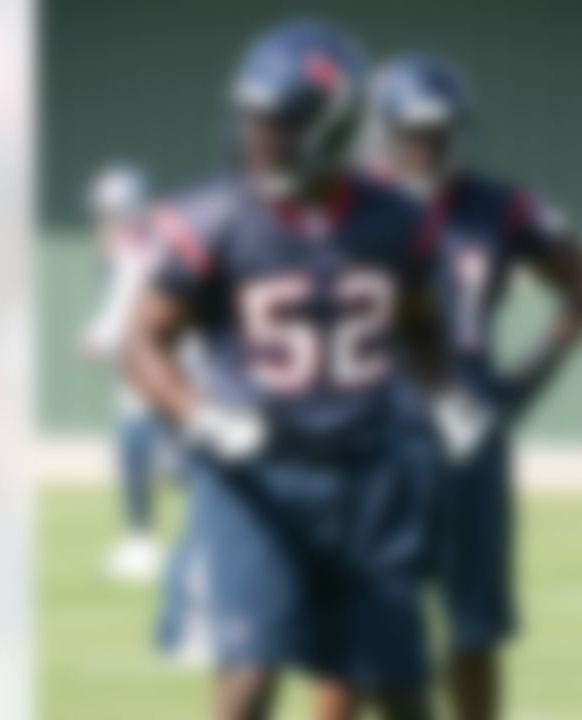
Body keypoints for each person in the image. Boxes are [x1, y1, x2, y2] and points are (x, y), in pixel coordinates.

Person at [125, 21, 486, 720]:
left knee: (403, 689)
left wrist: (444, 396)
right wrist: (200, 414)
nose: (258, 136)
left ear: (336, 124)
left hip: (371, 480)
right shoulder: (212, 217)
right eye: (253, 119)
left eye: (280, 122)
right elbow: (142, 342)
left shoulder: (396, 221)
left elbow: (420, 321)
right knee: (250, 677)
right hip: (257, 479)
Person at [365, 54, 582, 720]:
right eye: (413, 130)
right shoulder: (354, 204)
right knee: (359, 638)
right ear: (382, 131)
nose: (428, 144)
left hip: (469, 437)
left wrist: (525, 383)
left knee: (473, 631)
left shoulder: (501, 207)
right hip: (374, 434)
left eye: (441, 129)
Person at [80, 164, 166, 581]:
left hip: (157, 369)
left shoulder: (139, 248)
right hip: (154, 369)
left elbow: (127, 311)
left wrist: (99, 337)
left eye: (107, 213)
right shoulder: (141, 244)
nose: (101, 223)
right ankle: (141, 541)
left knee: (137, 449)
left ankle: (141, 543)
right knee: (140, 449)